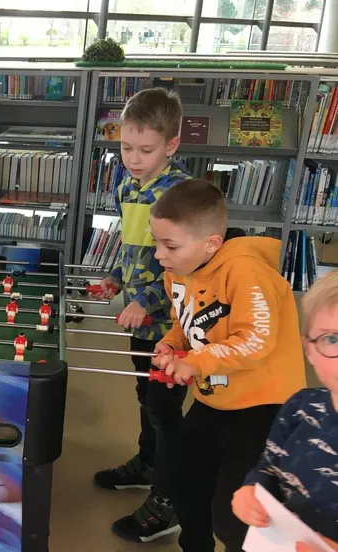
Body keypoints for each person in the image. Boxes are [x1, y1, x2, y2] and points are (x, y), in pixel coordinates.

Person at [150, 179, 306, 552]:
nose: (159, 255)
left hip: (265, 406)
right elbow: (185, 323)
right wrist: (172, 344)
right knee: (185, 484)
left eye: (170, 245)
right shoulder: (179, 269)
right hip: (215, 398)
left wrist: (196, 362)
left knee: (235, 517)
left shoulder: (246, 271)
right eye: (157, 242)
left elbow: (256, 340)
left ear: (211, 243)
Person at [91, 87, 190, 542]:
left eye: (145, 150)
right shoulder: (127, 186)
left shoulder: (182, 196)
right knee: (145, 397)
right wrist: (116, 278)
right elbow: (134, 248)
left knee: (165, 411)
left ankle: (170, 501)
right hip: (141, 320)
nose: (132, 158)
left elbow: (183, 266)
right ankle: (149, 464)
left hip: (171, 326)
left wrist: (144, 301)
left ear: (171, 145)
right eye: (126, 147)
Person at [232, 270, 338, 551]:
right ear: (309, 349)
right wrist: (251, 490)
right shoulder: (301, 406)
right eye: (332, 339)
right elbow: (269, 467)